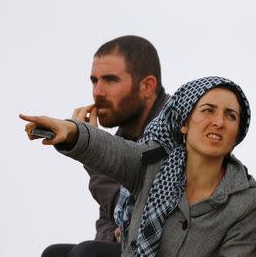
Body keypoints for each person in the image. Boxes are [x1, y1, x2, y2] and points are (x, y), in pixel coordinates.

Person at [21, 76, 256, 257]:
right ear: (184, 123)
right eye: (208, 111)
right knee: (55, 254)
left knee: (86, 253)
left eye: (231, 116)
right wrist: (73, 132)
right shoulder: (154, 162)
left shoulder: (246, 202)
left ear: (237, 134)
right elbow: (112, 150)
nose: (219, 122)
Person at [42, 35, 170, 256]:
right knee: (54, 254)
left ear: (147, 86)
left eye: (110, 80)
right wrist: (116, 234)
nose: (97, 92)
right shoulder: (124, 136)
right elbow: (106, 224)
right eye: (94, 80)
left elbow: (142, 205)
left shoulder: (174, 131)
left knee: (86, 253)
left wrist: (91, 151)